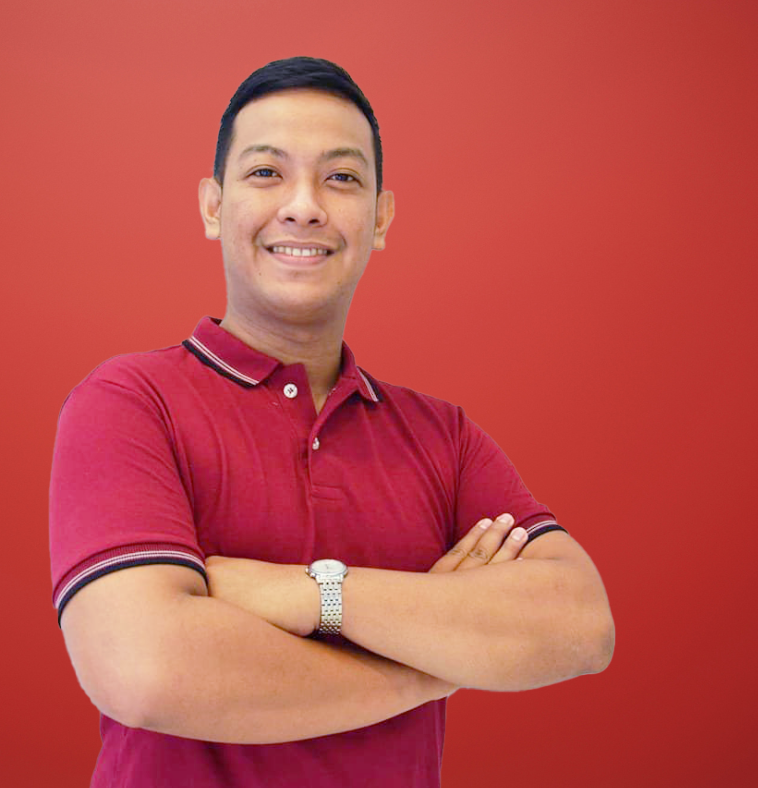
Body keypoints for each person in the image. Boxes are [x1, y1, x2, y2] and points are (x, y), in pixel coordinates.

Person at [49, 56, 614, 787]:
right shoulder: (129, 401)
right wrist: (431, 664)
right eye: (266, 173)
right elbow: (146, 671)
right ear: (213, 207)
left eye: (341, 177)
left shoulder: (442, 436)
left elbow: (579, 627)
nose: (304, 206)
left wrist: (309, 594)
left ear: (380, 219)